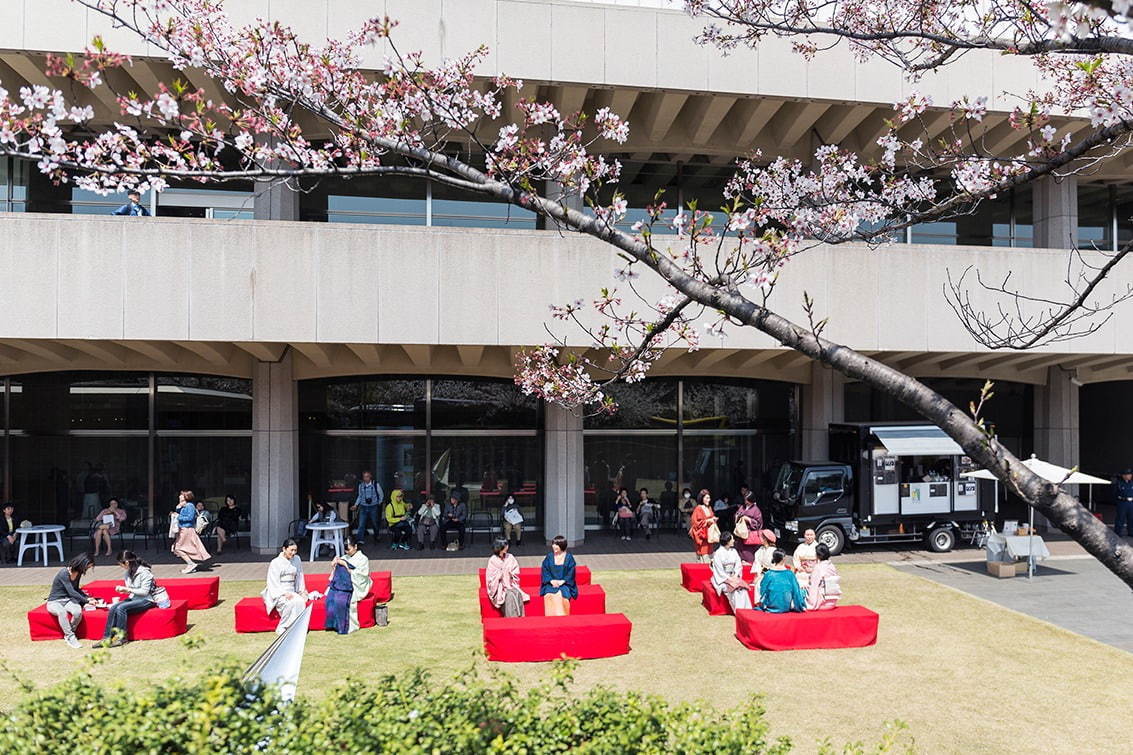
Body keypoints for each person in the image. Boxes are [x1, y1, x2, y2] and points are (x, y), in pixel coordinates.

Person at [98, 550, 170, 648]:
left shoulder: (144, 572)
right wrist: (125, 590)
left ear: (126, 563)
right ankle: (106, 638)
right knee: (114, 607)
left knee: (121, 608)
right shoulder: (128, 572)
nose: (121, 567)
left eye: (121, 564)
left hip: (148, 600)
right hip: (135, 598)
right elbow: (131, 590)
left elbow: (145, 592)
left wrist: (127, 589)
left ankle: (121, 638)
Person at [45, 554, 101, 649]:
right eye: (88, 566)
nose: (88, 568)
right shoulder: (64, 573)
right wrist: (86, 600)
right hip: (54, 601)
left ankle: (69, 633)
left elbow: (76, 589)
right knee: (61, 612)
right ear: (82, 564)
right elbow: (71, 591)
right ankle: (71, 637)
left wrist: (88, 597)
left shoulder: (78, 573)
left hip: (68, 600)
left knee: (77, 612)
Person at [262, 538, 308, 635]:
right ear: (284, 549)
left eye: (295, 550)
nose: (293, 553)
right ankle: (283, 626)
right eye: (291, 550)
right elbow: (272, 582)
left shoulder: (297, 559)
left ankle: (297, 626)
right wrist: (283, 593)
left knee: (300, 601)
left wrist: (301, 591)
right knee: (289, 603)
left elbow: (299, 576)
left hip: (292, 590)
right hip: (279, 591)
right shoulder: (275, 562)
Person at [331, 536, 372, 634]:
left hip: (357, 586)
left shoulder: (363, 559)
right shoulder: (344, 557)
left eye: (348, 549)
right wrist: (335, 564)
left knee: (348, 599)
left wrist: (345, 565)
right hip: (344, 585)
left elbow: (361, 576)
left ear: (355, 547)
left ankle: (350, 626)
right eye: (345, 550)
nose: (347, 552)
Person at [485, 537, 528, 617]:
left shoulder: (510, 557)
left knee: (517, 593)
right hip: (499, 587)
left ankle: (520, 617)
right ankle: (512, 619)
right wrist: (499, 576)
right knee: (509, 596)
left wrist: (510, 574)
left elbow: (516, 572)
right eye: (505, 545)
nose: (507, 547)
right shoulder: (493, 560)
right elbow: (490, 578)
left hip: (510, 584)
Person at [711, 531, 753, 612]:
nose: (733, 541)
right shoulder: (718, 553)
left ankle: (747, 610)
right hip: (723, 578)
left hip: (734, 576)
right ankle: (739, 611)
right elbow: (719, 570)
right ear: (727, 541)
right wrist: (729, 579)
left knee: (742, 589)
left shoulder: (734, 551)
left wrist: (736, 575)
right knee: (734, 590)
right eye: (732, 539)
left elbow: (738, 564)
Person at [172, 490, 210, 574]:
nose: (179, 496)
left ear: (186, 497)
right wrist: (178, 508)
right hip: (184, 529)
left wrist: (178, 517)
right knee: (182, 547)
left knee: (178, 548)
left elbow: (190, 518)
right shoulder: (183, 505)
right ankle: (191, 563)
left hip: (187, 529)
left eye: (181, 495)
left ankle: (191, 563)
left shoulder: (190, 506)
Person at [757, 549, 807, 613]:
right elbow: (796, 591)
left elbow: (763, 589)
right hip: (786, 605)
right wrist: (800, 605)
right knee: (802, 591)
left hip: (771, 604)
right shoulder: (790, 574)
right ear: (784, 559)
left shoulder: (769, 574)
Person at [540, 535, 578, 616]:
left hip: (565, 583)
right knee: (549, 595)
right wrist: (551, 580)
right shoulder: (549, 557)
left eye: (556, 544)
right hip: (551, 583)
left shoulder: (569, 558)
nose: (554, 546)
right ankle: (550, 619)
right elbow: (545, 570)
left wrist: (562, 581)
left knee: (560, 594)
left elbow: (571, 573)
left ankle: (561, 617)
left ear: (562, 546)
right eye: (553, 544)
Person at [351, 470, 384, 545]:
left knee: (375, 523)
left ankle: (376, 536)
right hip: (363, 506)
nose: (365, 478)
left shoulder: (375, 484)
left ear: (370, 477)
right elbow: (360, 496)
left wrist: (378, 503)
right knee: (361, 524)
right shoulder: (361, 485)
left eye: (367, 476)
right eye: (364, 477)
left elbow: (381, 494)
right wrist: (356, 505)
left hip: (373, 507)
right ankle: (360, 540)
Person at [806, 543, 842, 611]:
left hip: (822, 603)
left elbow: (814, 587)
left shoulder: (818, 568)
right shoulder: (832, 566)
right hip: (832, 602)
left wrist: (811, 605)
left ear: (818, 555)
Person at [688, 489, 718, 563]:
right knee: (703, 554)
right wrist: (707, 521)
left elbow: (710, 517)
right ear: (702, 498)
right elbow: (695, 523)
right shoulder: (698, 509)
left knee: (710, 553)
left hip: (709, 535)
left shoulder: (709, 507)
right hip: (702, 536)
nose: (709, 500)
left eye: (709, 498)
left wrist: (713, 519)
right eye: (707, 498)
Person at [733, 495, 764, 564]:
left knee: (748, 555)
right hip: (741, 533)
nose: (746, 502)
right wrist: (738, 516)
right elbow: (737, 514)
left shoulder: (756, 510)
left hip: (750, 535)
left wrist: (749, 519)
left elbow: (759, 524)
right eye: (745, 500)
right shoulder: (742, 507)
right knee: (740, 552)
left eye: (747, 500)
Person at [1116, 469, 1133, 538]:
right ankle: (1118, 532)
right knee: (1120, 518)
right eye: (1128, 475)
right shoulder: (1119, 483)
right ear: (1124, 476)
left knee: (1131, 518)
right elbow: (1115, 494)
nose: (1130, 476)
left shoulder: (1131, 483)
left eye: (1130, 474)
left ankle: (1131, 532)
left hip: (1131, 503)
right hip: (1122, 503)